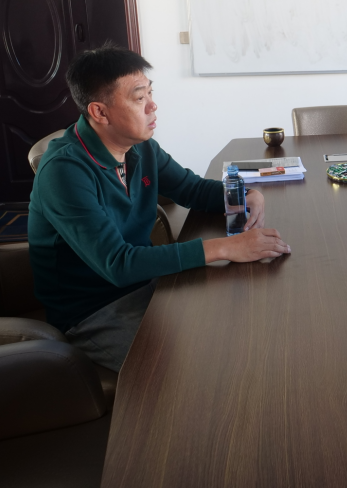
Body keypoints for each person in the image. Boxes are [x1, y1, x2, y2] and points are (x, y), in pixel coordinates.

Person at [28, 45, 291, 372]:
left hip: (146, 284)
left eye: (150, 93)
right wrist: (226, 248)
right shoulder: (64, 171)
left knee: (239, 327)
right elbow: (118, 264)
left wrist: (244, 193)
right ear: (100, 112)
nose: (153, 106)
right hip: (94, 311)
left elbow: (191, 189)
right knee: (194, 370)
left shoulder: (141, 148)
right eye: (139, 98)